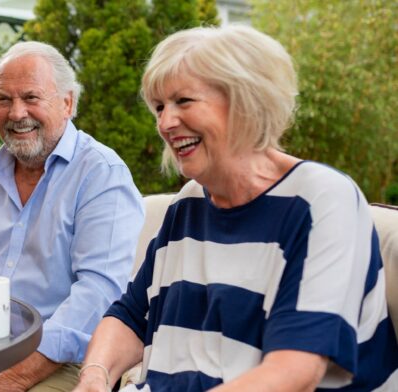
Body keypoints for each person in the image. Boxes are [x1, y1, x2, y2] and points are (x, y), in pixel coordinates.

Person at [74, 25, 398, 392]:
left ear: (245, 102)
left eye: (183, 101)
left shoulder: (320, 201)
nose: (164, 123)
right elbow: (132, 318)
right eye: (160, 107)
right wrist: (95, 376)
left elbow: (294, 372)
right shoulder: (189, 203)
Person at [0, 41, 145, 391]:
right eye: (4, 100)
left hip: (64, 361)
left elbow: (100, 292)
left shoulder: (101, 174)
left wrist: (16, 375)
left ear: (68, 103)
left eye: (31, 97)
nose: (16, 113)